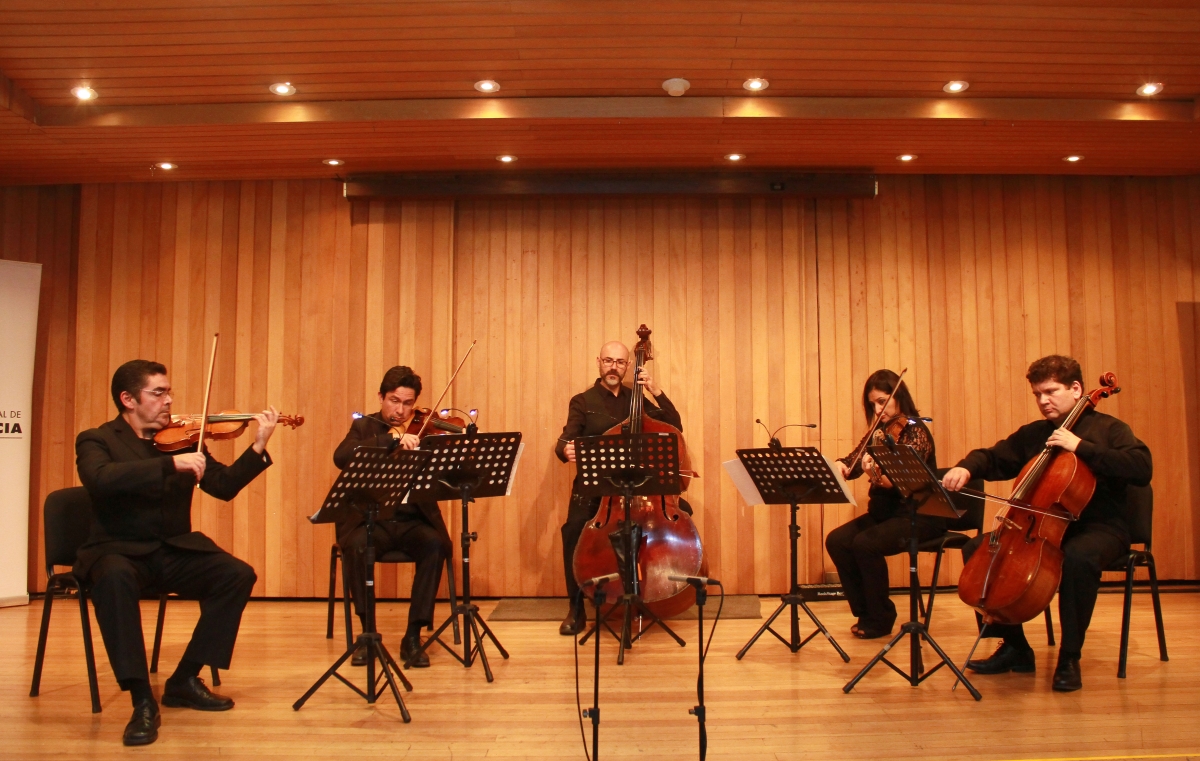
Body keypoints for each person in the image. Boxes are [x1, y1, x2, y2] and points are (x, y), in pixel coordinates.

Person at [75, 360, 278, 746]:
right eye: (159, 393)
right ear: (128, 399)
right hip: (116, 550)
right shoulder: (97, 439)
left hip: (170, 549)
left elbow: (223, 486)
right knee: (115, 578)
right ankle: (141, 700)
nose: (169, 400)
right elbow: (99, 479)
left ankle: (184, 678)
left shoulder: (183, 439)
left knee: (236, 574)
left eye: (169, 392)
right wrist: (169, 464)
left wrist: (258, 444)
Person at [942, 355, 1152, 692]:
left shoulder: (1110, 429)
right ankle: (1015, 647)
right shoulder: (1036, 435)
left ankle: (1070, 657)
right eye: (1037, 394)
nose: (1043, 401)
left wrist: (1081, 446)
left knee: (1079, 558)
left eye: (1050, 391)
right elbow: (994, 457)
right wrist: (967, 467)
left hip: (1101, 527)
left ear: (1076, 389)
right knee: (977, 548)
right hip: (1042, 527)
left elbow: (1141, 467)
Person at [554, 340, 685, 635]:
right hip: (598, 489)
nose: (613, 366)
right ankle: (576, 610)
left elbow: (675, 424)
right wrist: (565, 450)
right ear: (598, 362)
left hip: (639, 488)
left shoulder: (635, 398)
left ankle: (646, 597)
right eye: (608, 361)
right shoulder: (583, 401)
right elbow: (566, 438)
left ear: (628, 366)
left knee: (678, 515)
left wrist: (654, 389)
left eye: (620, 362)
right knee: (573, 528)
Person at [333, 365, 452, 669]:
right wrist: (391, 441)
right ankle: (368, 634)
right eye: (394, 401)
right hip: (370, 521)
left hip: (412, 520)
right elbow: (342, 457)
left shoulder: (423, 429)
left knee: (435, 545)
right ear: (381, 397)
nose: (401, 410)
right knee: (357, 548)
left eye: (408, 403)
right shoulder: (365, 427)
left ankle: (413, 636)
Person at [825, 369, 941, 640]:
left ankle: (882, 617)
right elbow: (853, 461)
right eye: (872, 404)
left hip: (918, 516)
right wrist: (842, 465)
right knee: (837, 540)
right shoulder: (877, 432)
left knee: (866, 544)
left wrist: (874, 474)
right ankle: (865, 612)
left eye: (882, 401)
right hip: (885, 516)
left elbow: (902, 481)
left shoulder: (915, 431)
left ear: (898, 397)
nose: (877, 409)